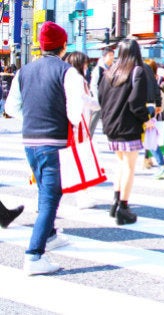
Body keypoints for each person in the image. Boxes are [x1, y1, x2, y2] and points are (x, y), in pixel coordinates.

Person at [5, 21, 81, 275]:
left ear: (39, 44)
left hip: (30, 140)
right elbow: (75, 110)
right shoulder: (67, 71)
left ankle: (50, 234)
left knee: (44, 189)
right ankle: (34, 254)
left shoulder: (24, 71)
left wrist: (32, 117)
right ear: (64, 45)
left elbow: (10, 108)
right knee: (51, 195)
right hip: (54, 141)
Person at [99, 39, 150, 226]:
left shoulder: (109, 72)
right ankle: (123, 207)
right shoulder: (137, 71)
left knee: (120, 163)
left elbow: (101, 98)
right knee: (129, 166)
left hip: (111, 125)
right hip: (128, 125)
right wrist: (147, 118)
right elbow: (136, 103)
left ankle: (115, 202)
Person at [63, 51, 101, 209]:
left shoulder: (69, 77)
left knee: (76, 161)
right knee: (81, 161)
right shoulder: (78, 79)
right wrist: (100, 103)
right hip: (79, 124)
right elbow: (83, 100)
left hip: (76, 123)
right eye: (85, 63)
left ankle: (82, 195)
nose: (87, 66)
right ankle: (82, 197)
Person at [144, 58, 164, 179]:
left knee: (149, 139)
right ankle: (150, 160)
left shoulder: (146, 79)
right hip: (153, 110)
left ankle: (162, 164)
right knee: (149, 139)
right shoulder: (155, 79)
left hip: (146, 110)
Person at [89, 47, 115, 136]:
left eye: (113, 55)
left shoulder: (114, 68)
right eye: (110, 55)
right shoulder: (99, 69)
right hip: (100, 99)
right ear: (104, 57)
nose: (112, 57)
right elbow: (93, 85)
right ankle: (88, 137)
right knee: (94, 120)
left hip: (110, 99)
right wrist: (97, 98)